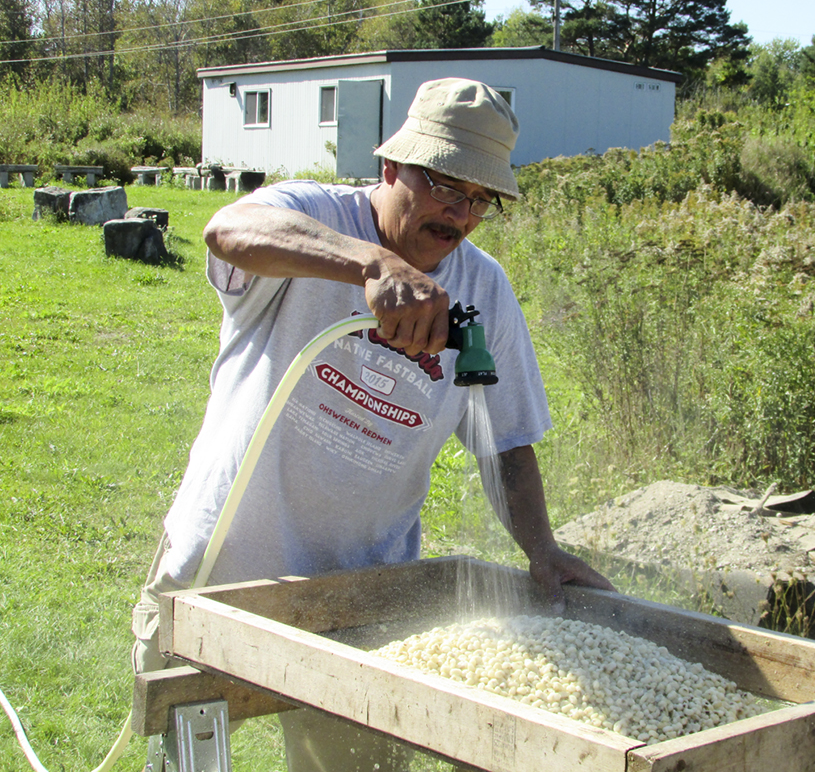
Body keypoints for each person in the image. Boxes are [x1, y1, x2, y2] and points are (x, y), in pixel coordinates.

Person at [130, 77, 614, 770]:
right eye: (446, 186)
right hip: (219, 569)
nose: (461, 214)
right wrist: (371, 262)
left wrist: (542, 549)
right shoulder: (314, 213)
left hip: (364, 596)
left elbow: (505, 443)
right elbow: (227, 230)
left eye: (481, 199)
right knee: (186, 755)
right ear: (392, 167)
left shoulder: (485, 291)